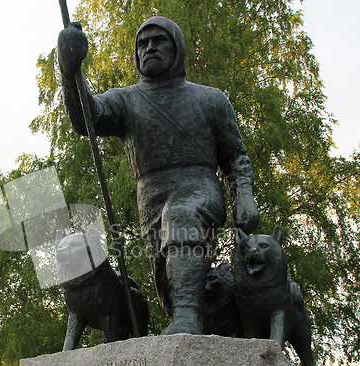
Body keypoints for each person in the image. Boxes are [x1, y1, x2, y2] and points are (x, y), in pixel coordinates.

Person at [58, 16, 259, 335]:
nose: (149, 47)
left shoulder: (211, 99)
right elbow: (87, 118)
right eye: (142, 43)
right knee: (169, 286)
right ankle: (201, 310)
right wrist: (70, 71)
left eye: (158, 40)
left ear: (177, 47)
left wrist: (244, 196)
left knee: (179, 215)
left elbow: (235, 156)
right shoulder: (126, 100)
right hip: (150, 195)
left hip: (198, 186)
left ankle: (188, 318)